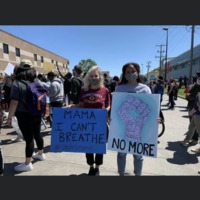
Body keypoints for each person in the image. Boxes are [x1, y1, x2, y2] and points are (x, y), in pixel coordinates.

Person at [66, 66, 111, 176]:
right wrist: (72, 106)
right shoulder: (83, 90)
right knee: (88, 147)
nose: (94, 77)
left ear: (100, 77)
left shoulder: (105, 90)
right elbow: (81, 105)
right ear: (88, 77)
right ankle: (91, 166)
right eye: (91, 76)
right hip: (86, 125)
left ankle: (97, 167)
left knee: (100, 147)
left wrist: (106, 110)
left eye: (96, 75)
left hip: (100, 124)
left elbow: (108, 105)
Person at [7, 59, 45, 172]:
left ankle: (28, 163)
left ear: (19, 70)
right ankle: (41, 154)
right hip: (37, 113)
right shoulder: (37, 81)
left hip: (24, 115)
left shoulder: (17, 83)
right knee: (37, 134)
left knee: (29, 138)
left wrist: (10, 117)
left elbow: (14, 102)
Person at [114, 62, 152, 176]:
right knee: (121, 153)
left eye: (133, 71)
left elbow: (151, 107)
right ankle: (121, 173)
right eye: (128, 72)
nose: (130, 74)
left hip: (139, 130)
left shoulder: (145, 88)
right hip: (123, 130)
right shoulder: (119, 88)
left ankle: (138, 175)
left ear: (138, 72)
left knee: (138, 155)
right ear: (124, 74)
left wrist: (155, 119)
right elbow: (117, 108)